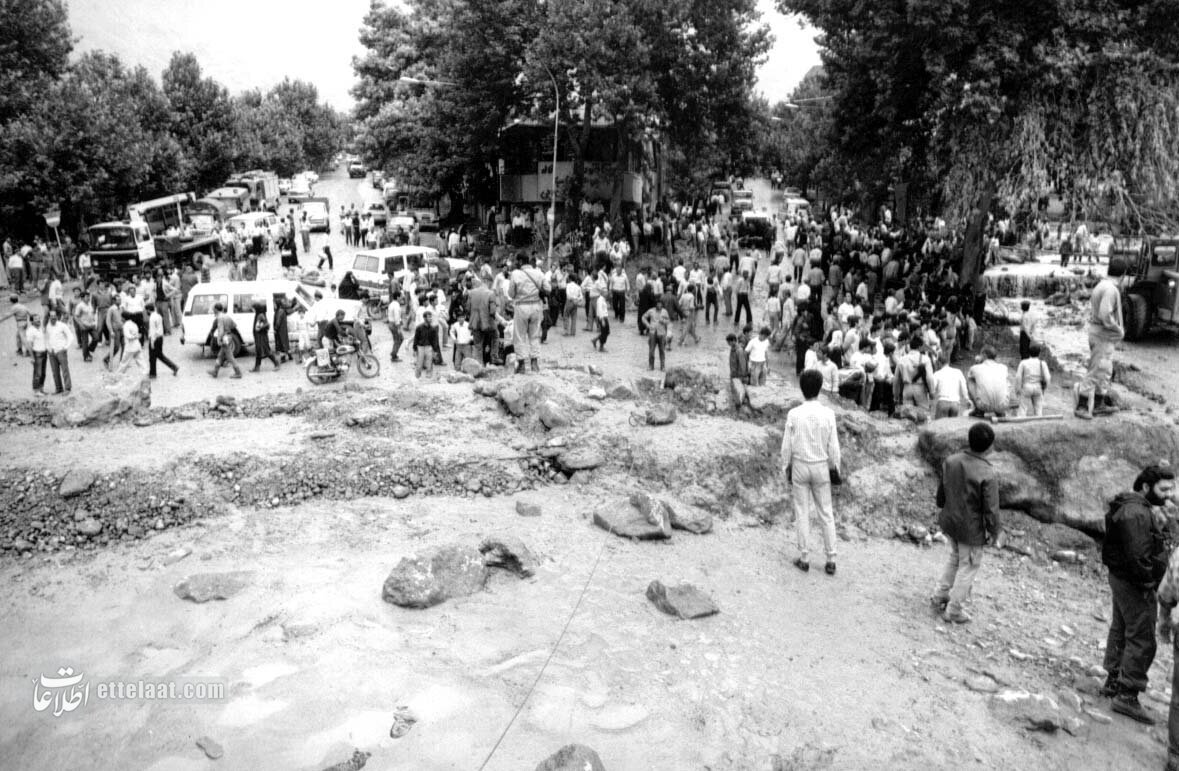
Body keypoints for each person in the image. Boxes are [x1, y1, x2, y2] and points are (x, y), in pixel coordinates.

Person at [1100, 465, 1174, 725]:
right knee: (1142, 637)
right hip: (1134, 583)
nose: (1168, 495)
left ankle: (1114, 680)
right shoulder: (1137, 513)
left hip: (1121, 578)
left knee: (1121, 628)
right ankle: (1127, 694)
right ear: (1145, 487)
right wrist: (1150, 583)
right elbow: (1138, 556)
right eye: (1163, 489)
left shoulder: (1131, 507)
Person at [930, 422, 1002, 624]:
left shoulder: (951, 461)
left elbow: (941, 492)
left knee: (955, 557)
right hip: (970, 529)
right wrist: (995, 531)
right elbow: (991, 509)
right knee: (968, 566)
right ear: (989, 447)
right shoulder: (987, 473)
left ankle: (940, 595)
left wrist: (941, 505)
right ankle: (954, 610)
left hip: (950, 521)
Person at [782, 368, 842, 576]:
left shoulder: (794, 414)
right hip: (821, 465)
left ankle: (805, 557)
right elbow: (834, 447)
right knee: (826, 512)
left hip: (800, 465)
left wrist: (786, 467)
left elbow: (786, 446)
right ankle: (831, 559)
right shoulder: (828, 414)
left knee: (802, 511)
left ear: (802, 388)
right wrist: (835, 468)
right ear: (820, 387)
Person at [1076, 256, 1126, 420]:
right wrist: (1118, 330)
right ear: (1123, 275)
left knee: (1104, 369)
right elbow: (1106, 315)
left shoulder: (1102, 285)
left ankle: (1099, 404)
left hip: (1099, 332)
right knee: (1097, 369)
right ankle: (1082, 406)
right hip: (1103, 334)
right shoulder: (1111, 289)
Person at [508, 254, 550, 373]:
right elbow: (548, 289)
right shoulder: (538, 273)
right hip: (536, 306)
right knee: (535, 335)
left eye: (517, 261)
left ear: (521, 261)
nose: (516, 263)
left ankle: (521, 364)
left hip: (521, 306)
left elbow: (511, 294)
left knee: (519, 336)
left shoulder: (515, 274)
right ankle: (534, 363)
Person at [966, 345, 1010, 417]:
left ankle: (978, 410)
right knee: (1006, 381)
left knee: (970, 380)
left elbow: (971, 376)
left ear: (984, 355)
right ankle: (1000, 411)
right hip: (1003, 405)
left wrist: (977, 363)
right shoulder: (1003, 367)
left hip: (983, 405)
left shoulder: (975, 368)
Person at [1014, 344, 1050, 416]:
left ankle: (1021, 420)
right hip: (1038, 387)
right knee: (1038, 409)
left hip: (1026, 386)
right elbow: (1048, 377)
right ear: (1039, 353)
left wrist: (1017, 389)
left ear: (1029, 352)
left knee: (1023, 408)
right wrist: (1045, 388)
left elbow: (1018, 377)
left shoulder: (1023, 362)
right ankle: (1038, 421)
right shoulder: (1042, 363)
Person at [208, 303, 242, 379]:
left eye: (214, 309)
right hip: (229, 336)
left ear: (216, 309)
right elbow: (234, 326)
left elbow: (221, 330)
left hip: (224, 338)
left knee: (230, 357)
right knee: (220, 356)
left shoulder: (219, 318)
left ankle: (238, 373)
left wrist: (219, 340)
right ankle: (215, 372)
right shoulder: (227, 316)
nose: (213, 310)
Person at [44, 309, 73, 394]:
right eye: (51, 316)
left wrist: (66, 347)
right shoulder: (47, 327)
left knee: (65, 370)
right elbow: (46, 339)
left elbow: (70, 336)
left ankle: (67, 388)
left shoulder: (62, 325)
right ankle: (58, 388)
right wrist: (48, 349)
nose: (53, 317)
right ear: (49, 317)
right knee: (55, 371)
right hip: (52, 352)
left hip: (61, 351)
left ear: (57, 316)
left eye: (54, 316)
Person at [146, 302, 179, 378]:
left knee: (152, 357)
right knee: (159, 355)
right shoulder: (159, 316)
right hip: (160, 338)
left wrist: (152, 342)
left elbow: (153, 331)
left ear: (148, 310)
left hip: (155, 338)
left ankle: (153, 373)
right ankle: (173, 367)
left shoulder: (151, 318)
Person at [250, 301, 280, 372]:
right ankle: (257, 367)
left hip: (262, 337)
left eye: (253, 308)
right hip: (259, 336)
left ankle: (276, 364)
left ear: (256, 308)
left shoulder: (260, 315)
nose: (252, 309)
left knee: (266, 351)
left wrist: (259, 328)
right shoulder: (259, 314)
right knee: (258, 351)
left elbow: (267, 324)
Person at [413, 308, 441, 378]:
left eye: (431, 317)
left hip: (429, 347)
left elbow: (435, 340)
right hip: (420, 347)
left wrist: (435, 350)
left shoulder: (433, 329)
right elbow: (416, 338)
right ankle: (417, 375)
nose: (430, 318)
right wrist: (414, 349)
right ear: (424, 318)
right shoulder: (419, 328)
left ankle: (428, 374)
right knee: (419, 362)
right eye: (429, 317)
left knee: (429, 362)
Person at [642, 305, 671, 371]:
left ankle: (662, 366)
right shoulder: (651, 310)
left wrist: (663, 321)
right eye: (658, 304)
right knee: (651, 350)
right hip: (652, 333)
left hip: (662, 333)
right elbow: (643, 317)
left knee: (662, 351)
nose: (659, 305)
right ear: (656, 305)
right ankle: (651, 366)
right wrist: (648, 325)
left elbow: (668, 321)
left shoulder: (665, 311)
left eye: (660, 304)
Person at [25, 313, 47, 394]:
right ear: (32, 321)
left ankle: (41, 389)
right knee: (38, 373)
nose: (38, 320)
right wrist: (32, 357)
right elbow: (29, 345)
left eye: (38, 318)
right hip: (37, 354)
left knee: (43, 373)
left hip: (44, 352)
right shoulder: (30, 331)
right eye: (36, 319)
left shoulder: (40, 328)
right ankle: (36, 390)